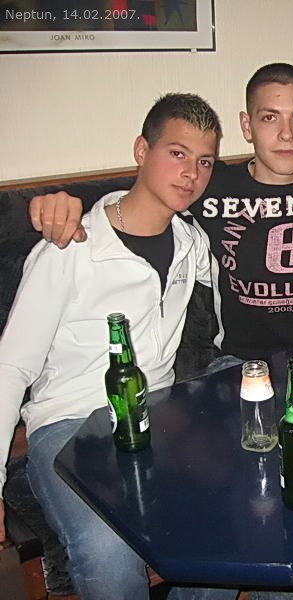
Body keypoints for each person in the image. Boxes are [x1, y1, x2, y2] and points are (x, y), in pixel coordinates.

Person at [0, 93, 236, 600]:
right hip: (68, 424)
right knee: (107, 553)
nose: (191, 173)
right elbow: (11, 366)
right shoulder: (70, 248)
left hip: (159, 414)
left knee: (227, 528)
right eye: (177, 153)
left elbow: (219, 325)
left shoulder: (193, 245)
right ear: (141, 150)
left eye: (204, 162)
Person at [28, 63, 293, 363]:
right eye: (269, 118)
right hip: (243, 364)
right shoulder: (209, 182)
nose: (286, 134)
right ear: (246, 126)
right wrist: (64, 202)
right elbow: (149, 194)